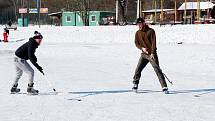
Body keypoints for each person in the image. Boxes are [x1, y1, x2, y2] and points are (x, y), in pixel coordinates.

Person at [132, 18, 169, 94]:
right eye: (138, 24)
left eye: (141, 24)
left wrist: (152, 53)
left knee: (157, 70)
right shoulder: (137, 33)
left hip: (152, 55)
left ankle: (164, 86)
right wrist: (141, 48)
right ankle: (135, 84)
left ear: (144, 23)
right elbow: (136, 43)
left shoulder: (151, 31)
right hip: (144, 54)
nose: (139, 25)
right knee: (138, 69)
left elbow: (153, 43)